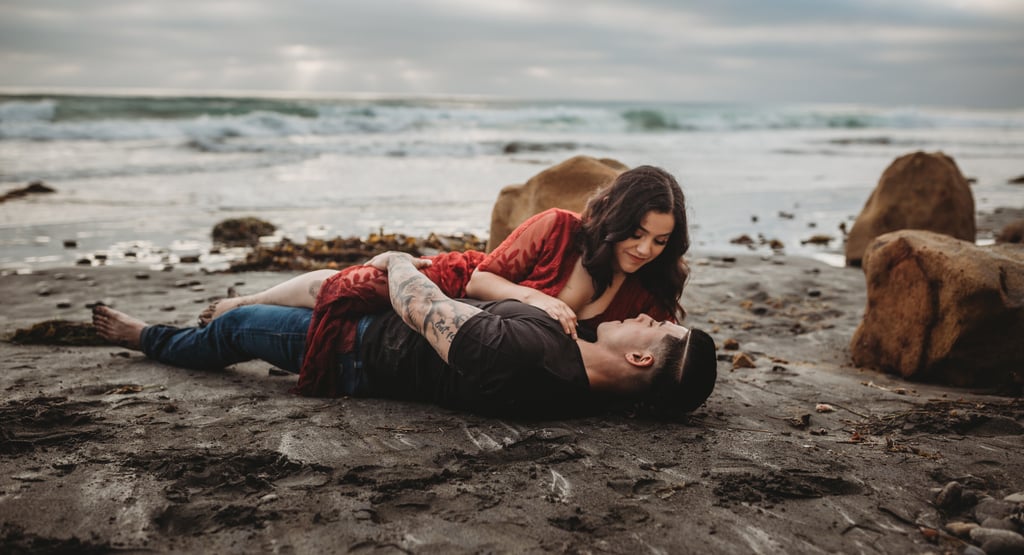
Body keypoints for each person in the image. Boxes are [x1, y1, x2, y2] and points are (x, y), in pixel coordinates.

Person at [198, 165, 692, 397]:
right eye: (637, 234)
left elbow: (651, 367)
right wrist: (533, 298)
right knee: (346, 285)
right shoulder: (561, 227)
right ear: (614, 220)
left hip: (491, 332)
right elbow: (482, 281)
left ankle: (246, 314)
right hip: (471, 286)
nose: (646, 250)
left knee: (352, 304)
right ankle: (246, 299)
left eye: (661, 241)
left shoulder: (650, 290)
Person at [93, 251, 717, 418]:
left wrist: (396, 262)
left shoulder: (527, 354)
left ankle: (148, 337)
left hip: (357, 349)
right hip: (380, 340)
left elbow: (425, 311)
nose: (648, 316)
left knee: (232, 331)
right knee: (326, 285)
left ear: (638, 356)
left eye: (655, 327)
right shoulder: (587, 381)